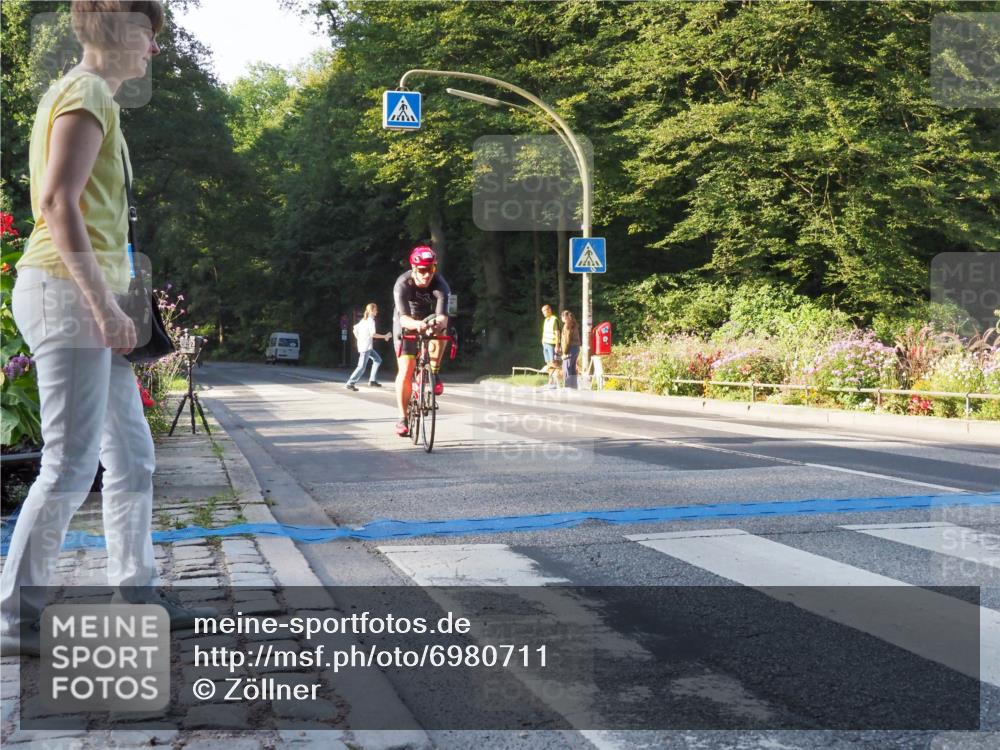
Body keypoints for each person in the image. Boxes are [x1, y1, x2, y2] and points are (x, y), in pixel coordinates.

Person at [0, 1, 211, 657]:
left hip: (81, 297)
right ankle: (16, 616)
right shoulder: (88, 90)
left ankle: (136, 589)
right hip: (68, 296)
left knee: (132, 454)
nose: (154, 50)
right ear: (118, 31)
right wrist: (105, 307)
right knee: (67, 463)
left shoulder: (92, 97)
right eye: (149, 34)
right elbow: (58, 202)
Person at [393, 246, 450, 437]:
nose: (426, 275)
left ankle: (433, 372)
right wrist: (417, 325)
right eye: (422, 270)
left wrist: (436, 324)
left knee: (442, 330)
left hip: (429, 316)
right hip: (406, 319)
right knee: (407, 368)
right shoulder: (403, 283)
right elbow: (403, 319)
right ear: (414, 268)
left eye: (431, 269)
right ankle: (402, 418)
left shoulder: (440, 283)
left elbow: (443, 316)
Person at [346, 302, 391, 391]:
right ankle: (350, 383)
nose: (377, 312)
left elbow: (354, 329)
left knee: (378, 360)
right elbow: (373, 334)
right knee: (361, 367)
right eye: (375, 310)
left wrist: (359, 339)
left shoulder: (364, 320)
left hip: (367, 346)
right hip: (365, 347)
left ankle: (372, 380)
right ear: (371, 311)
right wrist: (385, 336)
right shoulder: (370, 321)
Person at [561, 310, 582, 389]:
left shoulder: (567, 325)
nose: (561, 318)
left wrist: (564, 352)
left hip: (570, 348)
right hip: (576, 348)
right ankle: (574, 386)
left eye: (562, 316)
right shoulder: (574, 323)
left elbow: (566, 340)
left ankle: (567, 387)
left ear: (565, 317)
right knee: (572, 367)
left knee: (567, 367)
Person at [540, 304, 561, 368]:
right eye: (542, 311)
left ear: (549, 310)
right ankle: (551, 377)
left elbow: (557, 333)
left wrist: (557, 346)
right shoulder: (546, 320)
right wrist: (543, 341)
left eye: (544, 311)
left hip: (552, 344)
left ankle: (557, 376)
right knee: (548, 363)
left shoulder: (554, 319)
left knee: (553, 362)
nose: (543, 313)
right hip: (545, 344)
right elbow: (545, 332)